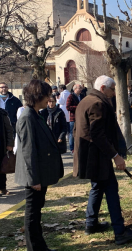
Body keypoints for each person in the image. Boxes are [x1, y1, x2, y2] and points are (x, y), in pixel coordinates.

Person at [73, 75, 132, 245]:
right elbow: (97, 135)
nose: (114, 93)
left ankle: (91, 224)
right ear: (103, 88)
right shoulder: (97, 103)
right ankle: (120, 231)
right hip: (96, 157)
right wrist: (115, 156)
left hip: (90, 157)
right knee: (111, 189)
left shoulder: (86, 100)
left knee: (97, 187)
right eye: (112, 89)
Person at [15, 80, 63, 251]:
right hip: (34, 177)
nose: (49, 99)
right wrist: (34, 179)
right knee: (32, 214)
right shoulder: (28, 117)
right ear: (37, 96)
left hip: (40, 175)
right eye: (47, 95)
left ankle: (39, 246)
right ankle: (34, 248)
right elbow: (28, 151)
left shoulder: (36, 115)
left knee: (37, 212)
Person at [0, 107, 14, 195]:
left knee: (2, 168)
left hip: (1, 146)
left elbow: (9, 130)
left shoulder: (2, 114)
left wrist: (10, 144)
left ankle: (3, 188)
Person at [66, 84, 83, 154]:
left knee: (80, 132)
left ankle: (79, 147)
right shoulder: (71, 96)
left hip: (81, 117)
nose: (81, 89)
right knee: (72, 133)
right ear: (75, 89)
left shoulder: (82, 96)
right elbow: (68, 107)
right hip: (73, 117)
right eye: (79, 88)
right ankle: (71, 148)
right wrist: (77, 107)